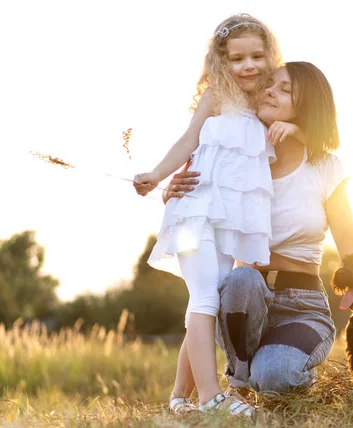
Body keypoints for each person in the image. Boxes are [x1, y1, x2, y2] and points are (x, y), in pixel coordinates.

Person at [159, 62, 353, 400]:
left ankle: (276, 372)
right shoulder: (238, 159)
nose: (269, 91)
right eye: (270, 84)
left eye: (284, 89)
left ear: (306, 106)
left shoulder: (326, 167)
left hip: (303, 304)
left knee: (276, 379)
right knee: (240, 279)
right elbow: (196, 206)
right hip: (244, 301)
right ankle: (238, 384)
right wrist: (173, 189)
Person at [133, 14, 282, 416]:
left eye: (256, 56)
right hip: (190, 213)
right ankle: (211, 397)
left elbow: (304, 125)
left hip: (226, 219)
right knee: (203, 298)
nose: (247, 65)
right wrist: (157, 176)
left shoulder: (267, 103)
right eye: (237, 59)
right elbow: (188, 141)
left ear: (269, 56)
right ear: (221, 61)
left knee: (205, 301)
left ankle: (180, 397)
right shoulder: (216, 97)